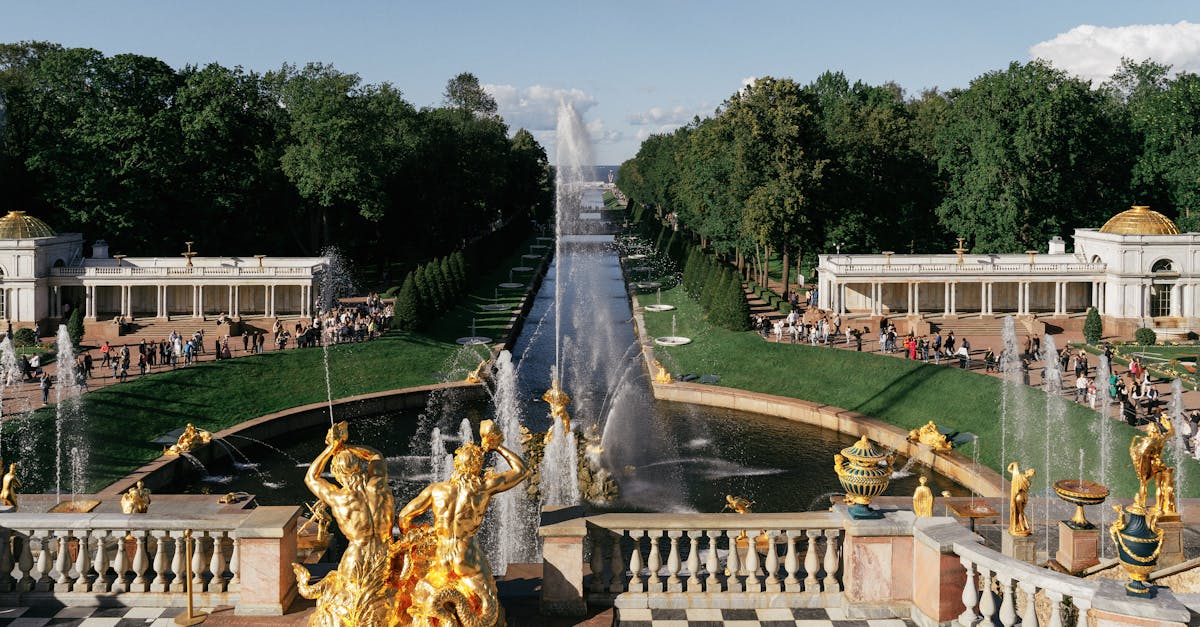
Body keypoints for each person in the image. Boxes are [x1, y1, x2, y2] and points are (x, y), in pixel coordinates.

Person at [396, 420, 529, 626]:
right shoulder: (482, 488)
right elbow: (522, 470)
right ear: (477, 466)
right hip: (467, 553)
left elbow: (404, 516)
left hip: (442, 553)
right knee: (487, 602)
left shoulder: (436, 490)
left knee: (437, 592)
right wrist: (496, 446)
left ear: (456, 464)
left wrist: (417, 538)